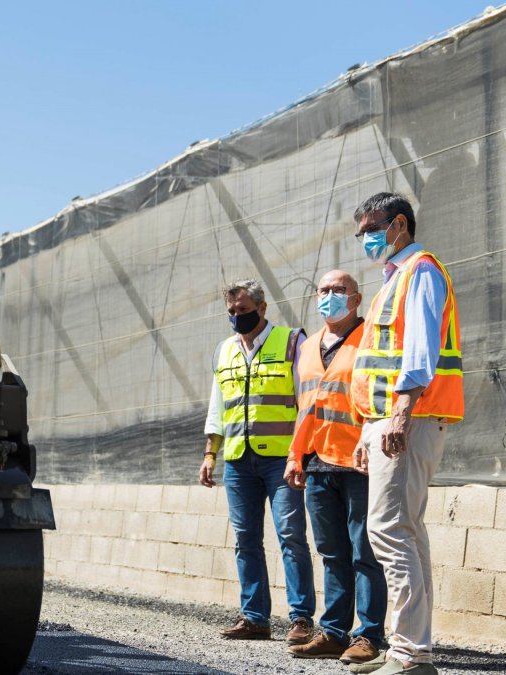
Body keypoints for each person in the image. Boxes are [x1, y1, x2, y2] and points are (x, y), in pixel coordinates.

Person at [349, 192, 464, 675]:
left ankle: (410, 653)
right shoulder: (394, 278)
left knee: (389, 529)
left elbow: (419, 349)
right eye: (361, 232)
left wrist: (397, 415)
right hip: (392, 418)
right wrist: (367, 427)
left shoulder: (419, 272)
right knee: (407, 531)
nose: (365, 239)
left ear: (400, 224)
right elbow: (379, 361)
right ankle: (412, 652)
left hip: (409, 417)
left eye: (372, 228)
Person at [198, 279, 316, 644]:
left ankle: (300, 619)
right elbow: (218, 406)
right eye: (232, 312)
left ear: (263, 309)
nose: (237, 317)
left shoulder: (291, 341)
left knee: (291, 536)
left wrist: (299, 453)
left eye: (244, 311)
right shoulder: (224, 351)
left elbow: (305, 400)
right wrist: (209, 453)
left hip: (280, 459)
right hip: (237, 459)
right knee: (245, 538)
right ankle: (254, 617)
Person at [283, 270, 387, 668]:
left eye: (339, 290)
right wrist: (296, 456)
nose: (330, 296)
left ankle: (369, 635)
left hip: (358, 462)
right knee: (331, 552)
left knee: (365, 552)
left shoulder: (371, 339)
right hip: (318, 463)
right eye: (324, 290)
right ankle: (333, 632)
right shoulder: (308, 347)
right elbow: (305, 408)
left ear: (356, 299)